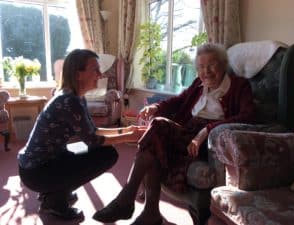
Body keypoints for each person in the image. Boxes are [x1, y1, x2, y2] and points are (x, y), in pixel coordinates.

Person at [92, 43, 255, 225]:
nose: (206, 71)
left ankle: (127, 199)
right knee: (152, 149)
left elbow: (248, 116)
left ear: (223, 65)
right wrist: (156, 106)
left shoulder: (239, 86)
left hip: (210, 141)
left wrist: (206, 131)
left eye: (211, 65)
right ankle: (150, 213)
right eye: (201, 66)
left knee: (157, 130)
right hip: (186, 132)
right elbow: (178, 101)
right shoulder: (198, 84)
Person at [17, 49, 146, 220]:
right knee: (107, 154)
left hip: (38, 165)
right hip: (36, 172)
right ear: (78, 74)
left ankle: (55, 191)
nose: (100, 75)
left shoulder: (75, 96)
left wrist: (128, 131)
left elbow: (93, 131)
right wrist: (131, 137)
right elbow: (94, 140)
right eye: (95, 70)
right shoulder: (69, 101)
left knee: (104, 151)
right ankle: (53, 202)